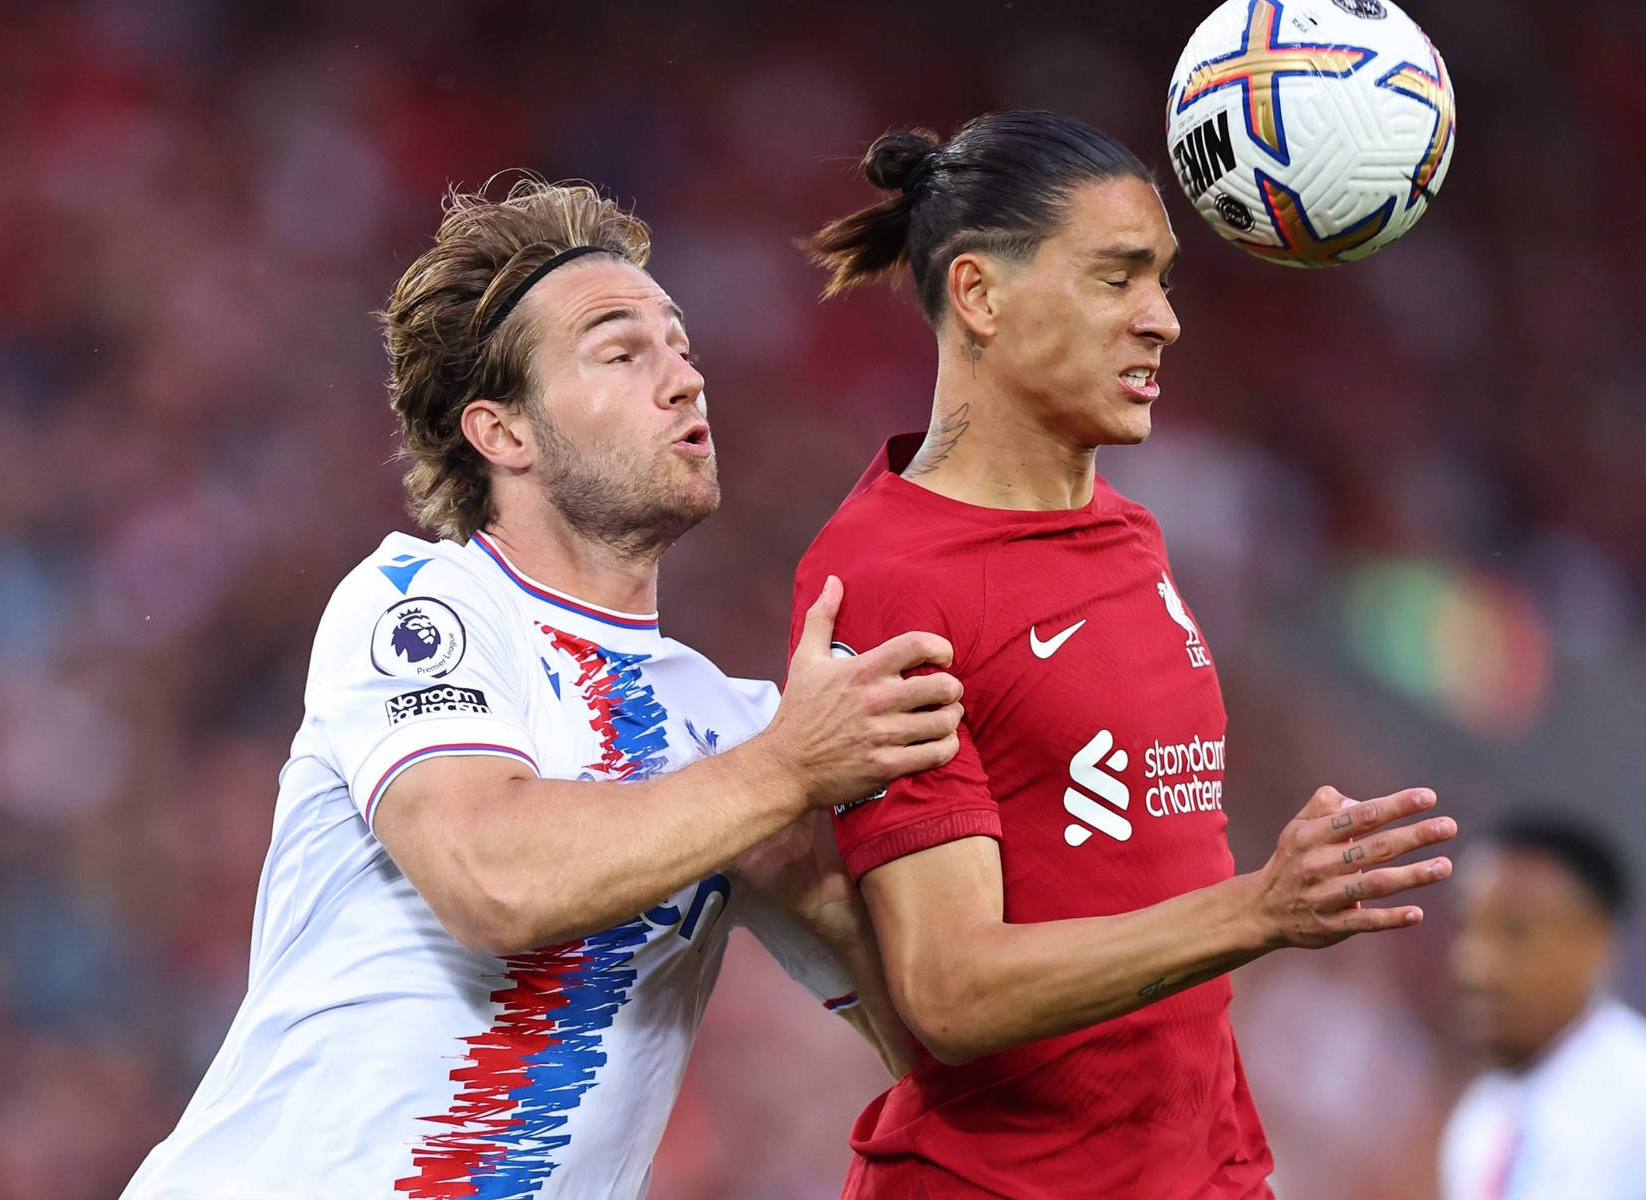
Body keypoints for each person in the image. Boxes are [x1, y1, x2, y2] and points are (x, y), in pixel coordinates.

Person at [123, 179, 956, 1199]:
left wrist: (828, 896)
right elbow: (493, 881)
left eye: (681, 344)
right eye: (621, 351)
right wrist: (782, 773)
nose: (685, 379)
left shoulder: (737, 729)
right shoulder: (421, 601)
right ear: (503, 433)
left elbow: (943, 1058)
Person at [787, 111, 1460, 1200]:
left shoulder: (1128, 533)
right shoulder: (889, 573)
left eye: (1165, 281)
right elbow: (948, 989)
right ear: (979, 296)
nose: (1165, 321)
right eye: (1118, 279)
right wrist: (1259, 910)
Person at [1442, 812, 1646, 1199]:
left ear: (1596, 941)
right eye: (1466, 927)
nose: (1475, 965)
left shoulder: (1638, 1104)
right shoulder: (1479, 1121)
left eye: (1515, 933)